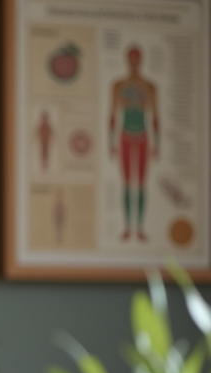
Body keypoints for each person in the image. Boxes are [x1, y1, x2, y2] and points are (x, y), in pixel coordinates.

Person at [108, 45, 159, 242]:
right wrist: (111, 142)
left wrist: (158, 143)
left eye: (137, 59)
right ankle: (128, 227)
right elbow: (113, 115)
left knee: (143, 184)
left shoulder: (150, 86)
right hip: (125, 137)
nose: (134, 63)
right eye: (131, 59)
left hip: (144, 136)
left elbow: (155, 116)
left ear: (142, 60)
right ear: (127, 60)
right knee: (128, 184)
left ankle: (141, 228)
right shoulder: (118, 85)